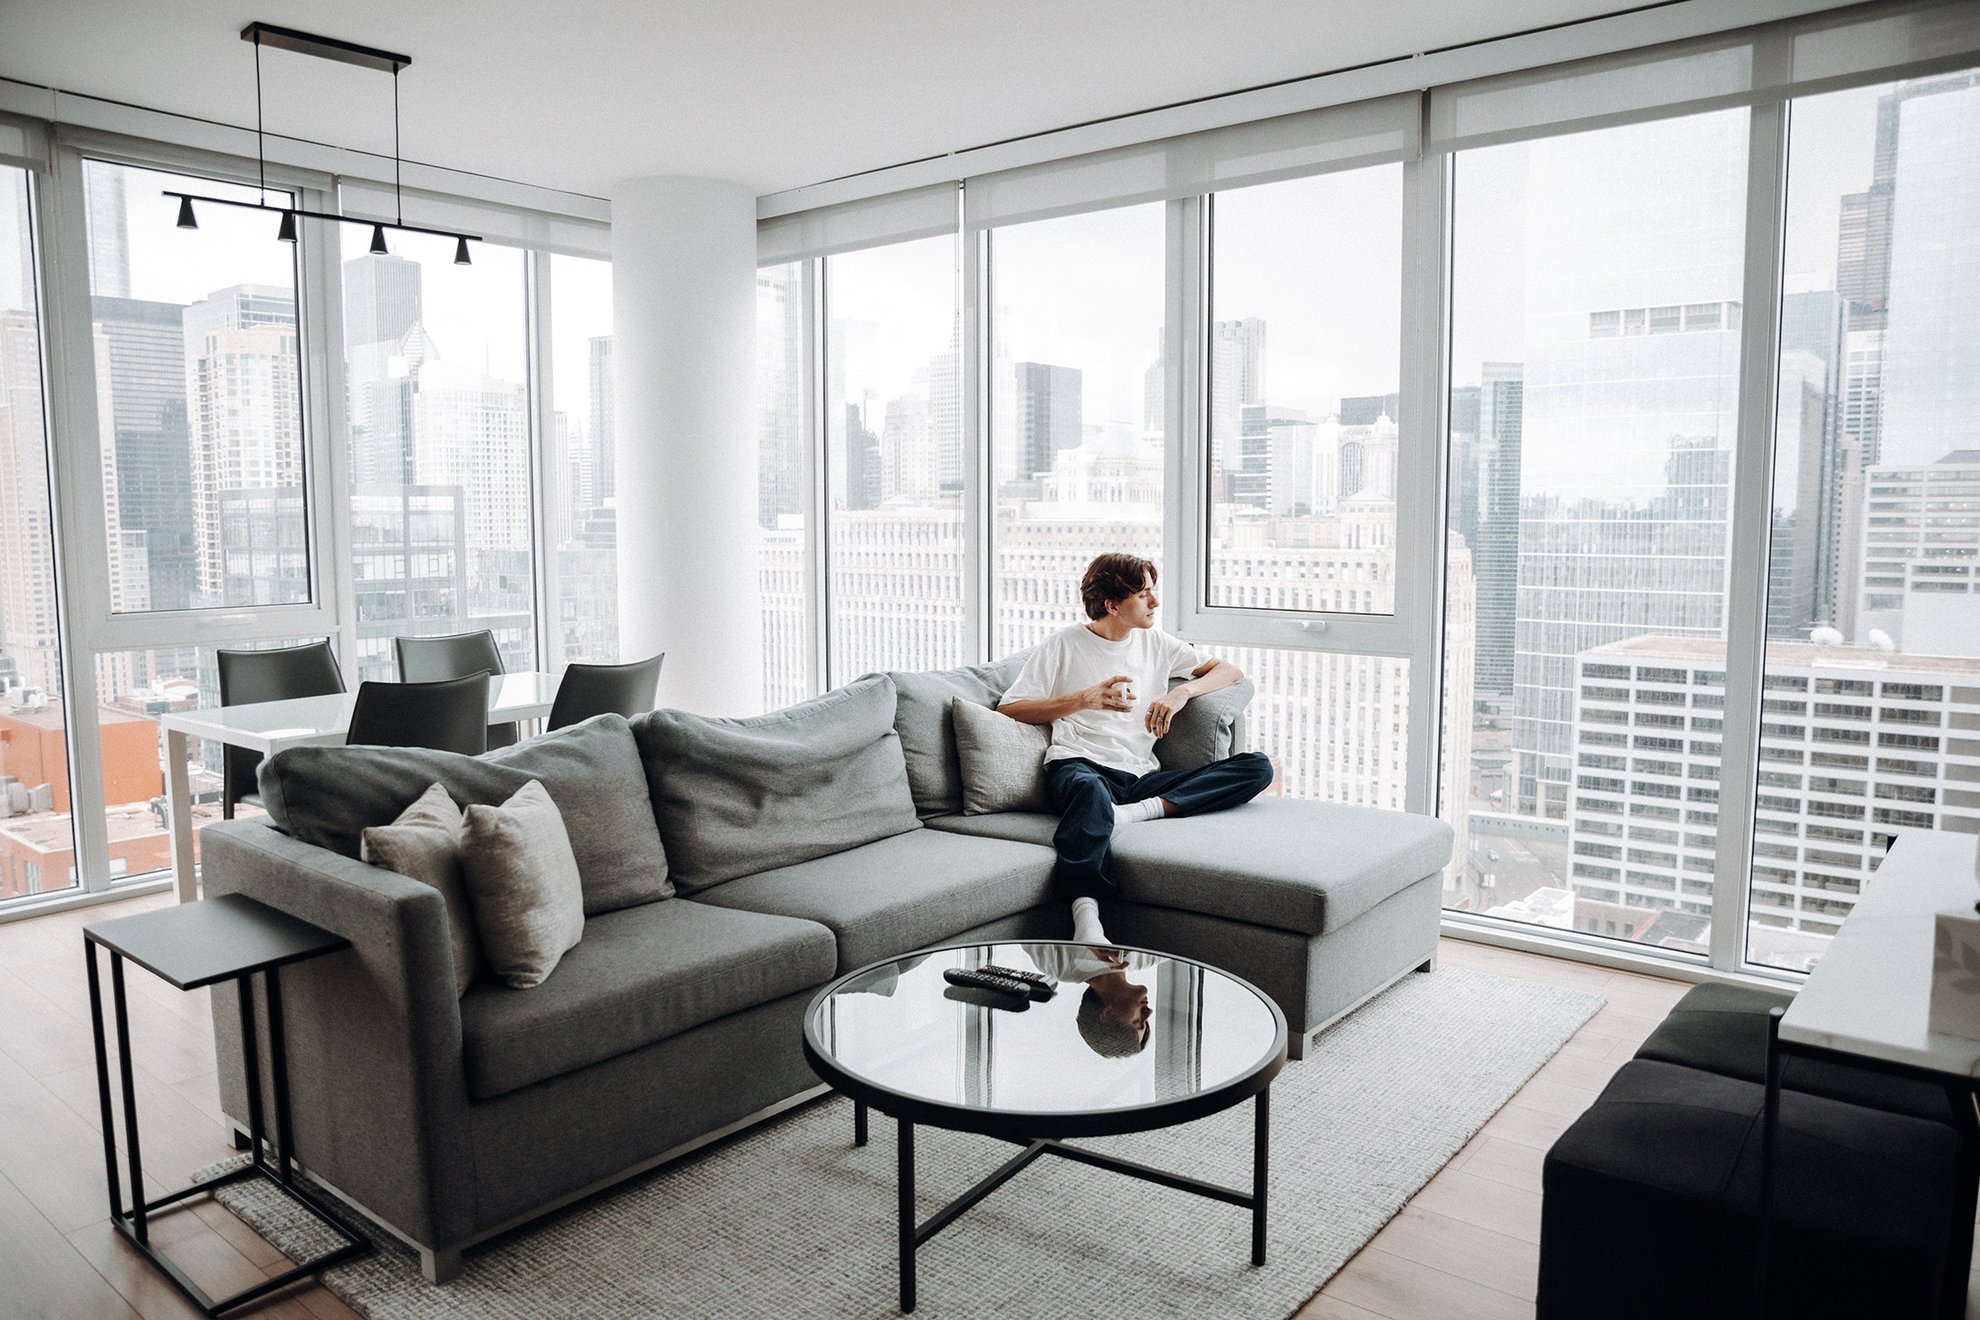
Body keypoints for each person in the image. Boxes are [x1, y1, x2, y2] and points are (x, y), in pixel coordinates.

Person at [996, 552, 1274, 938]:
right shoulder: (1063, 644)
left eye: (1153, 593)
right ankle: (1086, 917)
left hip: (1138, 777)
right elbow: (1010, 707)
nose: (1155, 603)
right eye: (1144, 595)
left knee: (1258, 767)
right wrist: (1084, 699)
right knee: (1089, 793)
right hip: (1080, 764)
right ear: (1112, 605)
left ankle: (1133, 813)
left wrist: (1181, 695)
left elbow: (1230, 671)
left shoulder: (1157, 643)